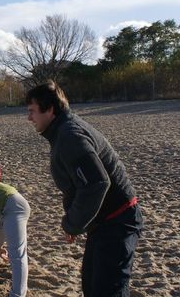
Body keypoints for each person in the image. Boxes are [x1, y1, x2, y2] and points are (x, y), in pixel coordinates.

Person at [26, 81, 143, 297]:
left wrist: (73, 224)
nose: (29, 117)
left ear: (50, 109)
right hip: (103, 223)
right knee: (91, 286)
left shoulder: (70, 135)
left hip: (118, 221)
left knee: (107, 291)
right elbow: (79, 186)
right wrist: (76, 221)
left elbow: (96, 184)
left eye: (32, 111)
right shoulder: (62, 130)